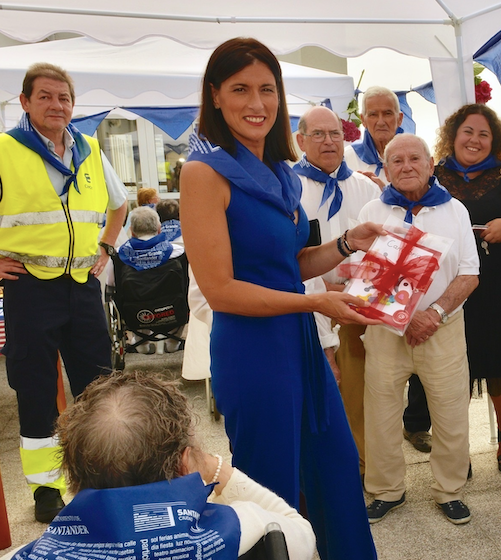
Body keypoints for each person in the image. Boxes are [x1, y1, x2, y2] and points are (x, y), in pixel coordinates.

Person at [180, 37, 379, 560]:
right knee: (271, 489)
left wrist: (343, 246)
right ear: (215, 96)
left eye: (267, 89)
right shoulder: (203, 173)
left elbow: (287, 268)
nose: (257, 103)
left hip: (299, 346)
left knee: (336, 471)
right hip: (252, 352)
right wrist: (315, 305)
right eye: (241, 89)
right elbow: (221, 290)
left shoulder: (281, 173)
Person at [2, 371, 317, 560]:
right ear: (184, 464)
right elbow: (299, 531)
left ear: (73, 476)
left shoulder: (30, 554)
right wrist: (216, 468)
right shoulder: (243, 527)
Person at [0, 62, 127, 522]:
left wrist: (107, 248)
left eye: (64, 98)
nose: (57, 105)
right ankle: (46, 491)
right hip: (29, 288)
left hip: (82, 286)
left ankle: (102, 476)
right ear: (25, 102)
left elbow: (120, 205)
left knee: (100, 386)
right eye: (46, 96)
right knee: (35, 391)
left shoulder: (90, 148)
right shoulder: (5, 150)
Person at [359, 134, 479, 525]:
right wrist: (402, 316)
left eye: (415, 158)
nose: (406, 166)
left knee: (450, 413)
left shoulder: (455, 210)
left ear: (430, 164)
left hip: (442, 326)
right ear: (386, 167)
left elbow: (469, 274)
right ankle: (386, 490)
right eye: (397, 160)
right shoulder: (372, 211)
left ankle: (449, 490)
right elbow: (361, 275)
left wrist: (434, 314)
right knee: (380, 413)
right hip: (384, 330)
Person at [434, 103, 501, 472]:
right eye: (468, 132)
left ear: (494, 141)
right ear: (453, 136)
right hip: (451, 282)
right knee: (454, 364)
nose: (475, 140)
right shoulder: (435, 175)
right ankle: (459, 447)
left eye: (483, 134)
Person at [343, 85, 433, 452]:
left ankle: (416, 425)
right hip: (364, 275)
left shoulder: (414, 151)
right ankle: (372, 458)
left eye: (388, 114)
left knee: (424, 366)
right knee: (373, 378)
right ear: (362, 119)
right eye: (373, 114)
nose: (381, 120)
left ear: (399, 118)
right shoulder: (348, 158)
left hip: (417, 277)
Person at [294, 105, 381, 474]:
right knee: (316, 392)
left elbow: (382, 246)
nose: (328, 141)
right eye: (318, 134)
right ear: (301, 140)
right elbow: (294, 253)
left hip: (358, 308)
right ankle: (321, 468)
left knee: (359, 393)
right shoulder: (289, 185)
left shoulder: (365, 187)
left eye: (335, 134)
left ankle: (359, 466)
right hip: (308, 307)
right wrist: (321, 284)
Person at [110, 206, 187, 354]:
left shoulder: (119, 256)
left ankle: (141, 345)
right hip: (174, 312)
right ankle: (173, 343)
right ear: (159, 229)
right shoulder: (177, 252)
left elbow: (110, 285)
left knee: (133, 296)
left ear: (131, 231)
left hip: (135, 314)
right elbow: (186, 283)